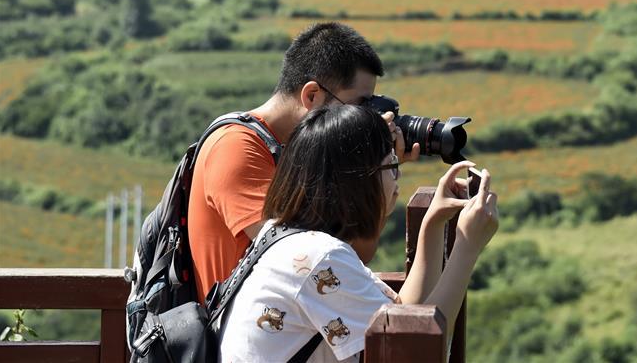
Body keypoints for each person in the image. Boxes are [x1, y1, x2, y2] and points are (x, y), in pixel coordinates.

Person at [218, 104, 498, 362]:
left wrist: (434, 223)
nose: (397, 179)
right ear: (359, 180)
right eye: (392, 165)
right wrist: (467, 247)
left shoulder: (284, 236)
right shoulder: (319, 258)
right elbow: (414, 353)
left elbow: (400, 317)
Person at [188, 22, 421, 303]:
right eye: (358, 107)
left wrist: (378, 172)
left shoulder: (300, 151)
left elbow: (344, 256)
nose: (363, 119)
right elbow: (309, 261)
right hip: (238, 341)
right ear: (312, 95)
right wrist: (369, 178)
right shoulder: (236, 149)